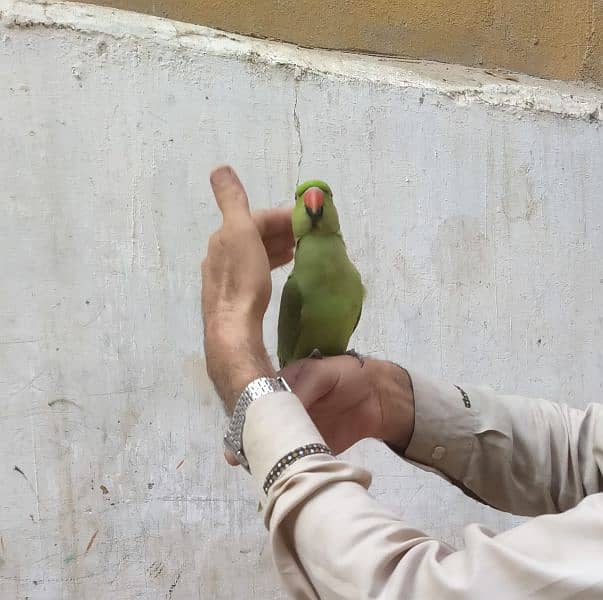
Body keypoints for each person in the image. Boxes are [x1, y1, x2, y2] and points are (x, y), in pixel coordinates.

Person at [202, 166, 603, 599]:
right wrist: (386, 395)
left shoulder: (352, 281)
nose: (314, 202)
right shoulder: (296, 285)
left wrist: (234, 344)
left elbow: (408, 590)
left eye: (321, 196)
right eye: (304, 198)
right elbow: (584, 455)